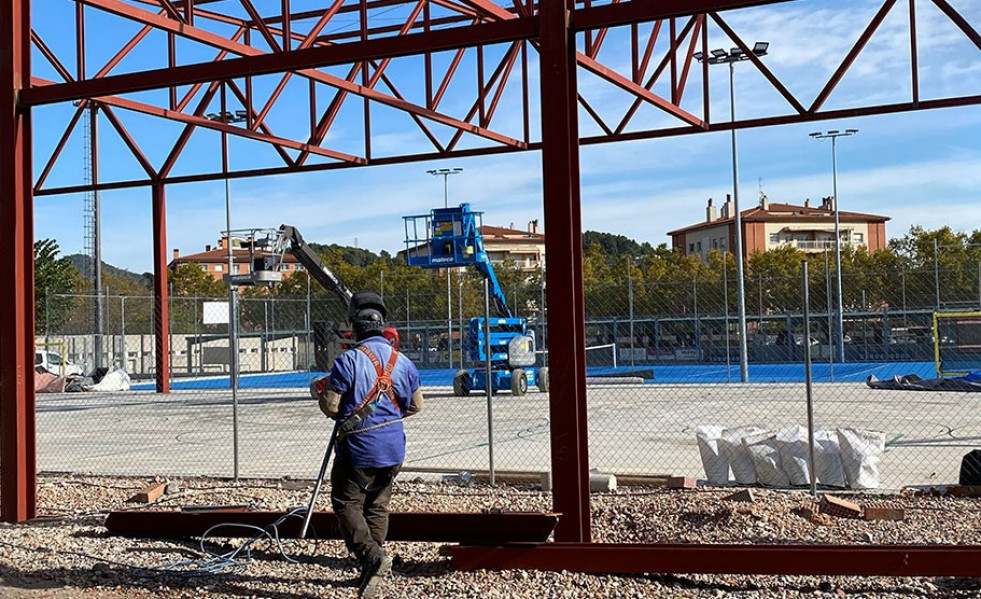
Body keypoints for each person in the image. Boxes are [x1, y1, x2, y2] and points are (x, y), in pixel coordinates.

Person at [317, 291, 423, 599]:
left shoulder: (347, 361)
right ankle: (372, 566)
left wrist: (322, 395)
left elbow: (332, 407)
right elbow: (416, 406)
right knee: (377, 504)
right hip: (393, 448)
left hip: (358, 448)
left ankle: (371, 557)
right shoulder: (404, 363)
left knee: (346, 502)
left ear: (354, 328)